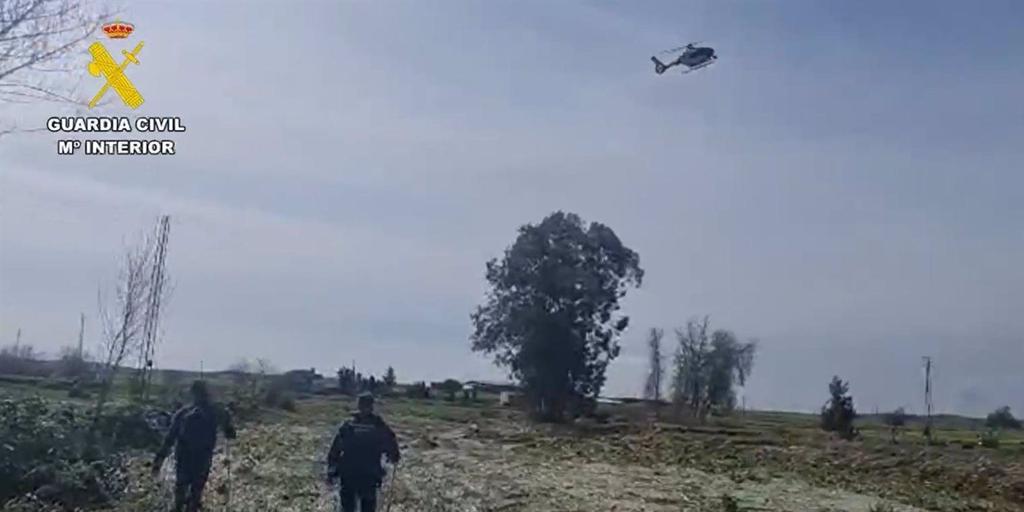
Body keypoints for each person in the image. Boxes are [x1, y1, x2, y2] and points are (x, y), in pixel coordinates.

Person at [152, 380, 237, 512]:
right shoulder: (217, 411)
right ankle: (191, 507)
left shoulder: (182, 413)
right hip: (203, 457)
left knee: (181, 488)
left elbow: (169, 439)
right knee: (196, 491)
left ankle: (178, 507)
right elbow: (231, 433)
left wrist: (158, 461)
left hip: (183, 456)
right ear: (207, 393)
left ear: (193, 394)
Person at [326, 392, 401, 512]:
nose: (364, 408)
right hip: (355, 474)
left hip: (365, 475)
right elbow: (335, 449)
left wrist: (394, 456)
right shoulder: (351, 426)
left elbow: (391, 445)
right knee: (350, 507)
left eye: (366, 405)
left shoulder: (374, 426)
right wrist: (332, 468)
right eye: (363, 405)